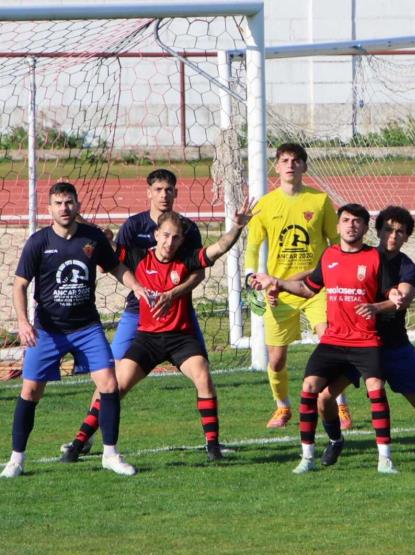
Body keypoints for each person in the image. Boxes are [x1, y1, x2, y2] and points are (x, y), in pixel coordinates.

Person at [60, 201, 253, 463]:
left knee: (203, 377)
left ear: (182, 240)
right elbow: (104, 241)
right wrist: (78, 218)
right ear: (156, 235)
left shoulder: (187, 259)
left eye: (176, 237)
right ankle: (78, 443)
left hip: (181, 338)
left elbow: (219, 247)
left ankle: (213, 447)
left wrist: (237, 227)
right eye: (166, 235)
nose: (170, 242)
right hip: (147, 339)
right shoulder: (139, 257)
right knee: (115, 387)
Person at [2, 182, 147, 478]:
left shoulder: (92, 237)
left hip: (87, 328)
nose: (64, 208)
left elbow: (116, 267)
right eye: (58, 203)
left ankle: (110, 454)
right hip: (48, 330)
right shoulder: (38, 242)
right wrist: (23, 322)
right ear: (49, 209)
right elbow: (19, 285)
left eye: (69, 202)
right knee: (30, 391)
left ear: (77, 205)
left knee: (109, 385)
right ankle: (16, 460)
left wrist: (136, 286)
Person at [61, 168, 207, 458]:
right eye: (158, 189)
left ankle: (212, 441)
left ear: (176, 193)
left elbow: (199, 271)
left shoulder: (187, 228)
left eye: (169, 190)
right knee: (112, 378)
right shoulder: (133, 226)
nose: (164, 195)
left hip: (179, 313)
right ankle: (87, 438)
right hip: (136, 312)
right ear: (148, 192)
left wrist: (174, 294)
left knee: (203, 374)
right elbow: (116, 263)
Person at [250, 204, 398, 474]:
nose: (351, 225)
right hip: (334, 340)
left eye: (357, 221)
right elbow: (308, 288)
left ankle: (385, 459)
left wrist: (385, 303)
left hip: (366, 340)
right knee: (310, 388)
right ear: (338, 226)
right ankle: (308, 457)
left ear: (366, 227)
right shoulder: (329, 255)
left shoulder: (376, 257)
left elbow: (392, 295)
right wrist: (277, 282)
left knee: (376, 388)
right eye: (346, 220)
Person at [319, 206, 415, 464]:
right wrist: (277, 282)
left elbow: (404, 297)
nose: (393, 236)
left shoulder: (407, 267)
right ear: (377, 231)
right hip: (357, 345)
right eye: (388, 229)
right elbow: (317, 278)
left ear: (407, 236)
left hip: (393, 346)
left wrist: (380, 306)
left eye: (400, 232)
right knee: (323, 398)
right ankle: (335, 440)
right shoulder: (358, 256)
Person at [244, 143, 351, 429]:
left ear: (304, 166)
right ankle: (282, 407)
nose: (290, 165)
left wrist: (335, 275)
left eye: (296, 160)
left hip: (316, 289)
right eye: (285, 160)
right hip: (278, 291)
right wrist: (251, 276)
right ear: (277, 166)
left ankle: (339, 404)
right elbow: (253, 246)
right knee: (276, 359)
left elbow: (335, 244)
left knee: (330, 343)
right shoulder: (265, 204)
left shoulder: (320, 200)